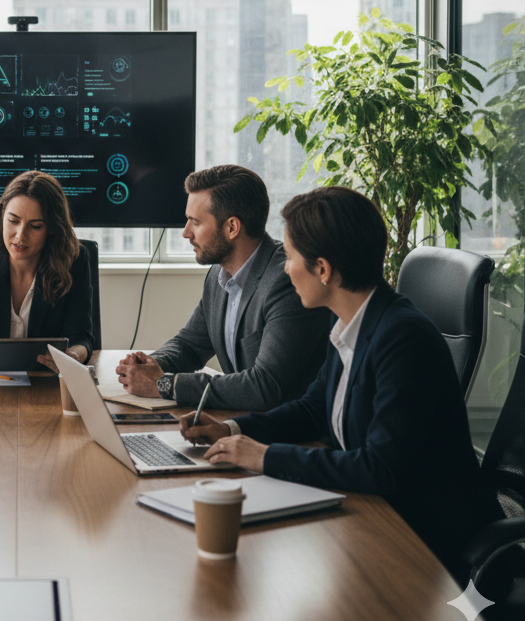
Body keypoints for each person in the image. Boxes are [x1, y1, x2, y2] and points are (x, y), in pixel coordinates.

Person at [184, 186, 499, 579]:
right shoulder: (350, 321)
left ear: (323, 270)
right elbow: (313, 409)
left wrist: (263, 457)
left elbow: (379, 467)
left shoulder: (403, 338)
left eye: (290, 257)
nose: (284, 268)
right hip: (372, 514)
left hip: (429, 547)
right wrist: (232, 430)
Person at [116, 165, 330, 410]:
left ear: (232, 228)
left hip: (287, 428)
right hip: (240, 421)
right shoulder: (219, 274)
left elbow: (265, 386)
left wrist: (166, 385)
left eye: (195, 222)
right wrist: (145, 366)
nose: (185, 233)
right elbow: (190, 345)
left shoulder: (286, 281)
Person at [0, 170, 94, 371]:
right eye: (13, 221)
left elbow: (82, 338)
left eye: (35, 226)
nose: (20, 236)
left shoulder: (73, 264)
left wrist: (72, 356)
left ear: (52, 228)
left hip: (46, 381)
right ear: (2, 216)